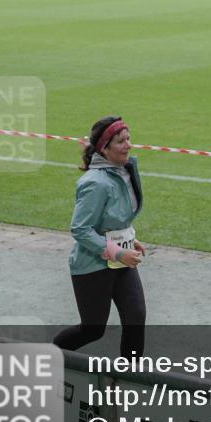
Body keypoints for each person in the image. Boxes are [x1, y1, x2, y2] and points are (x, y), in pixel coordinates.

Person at [53, 116, 147, 358]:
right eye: (120, 141)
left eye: (128, 138)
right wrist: (118, 251)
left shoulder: (121, 171)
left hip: (120, 261)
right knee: (93, 329)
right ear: (104, 148)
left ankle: (126, 380)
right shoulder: (95, 183)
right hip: (93, 266)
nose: (128, 145)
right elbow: (80, 229)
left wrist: (129, 239)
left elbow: (117, 217)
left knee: (136, 317)